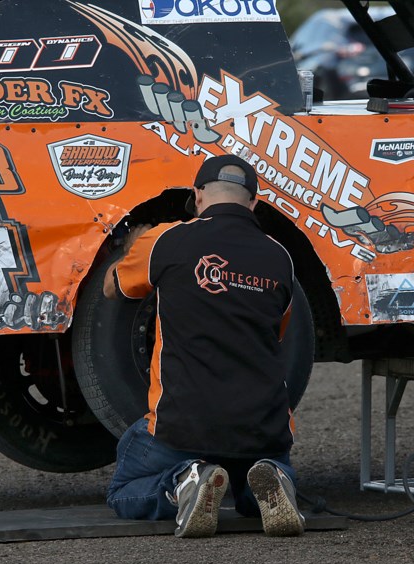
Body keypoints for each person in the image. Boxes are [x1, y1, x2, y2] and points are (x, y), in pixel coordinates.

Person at [102, 154, 305, 538]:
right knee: (256, 475)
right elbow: (275, 334)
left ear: (197, 197)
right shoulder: (281, 257)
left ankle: (183, 483)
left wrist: (131, 248)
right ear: (253, 203)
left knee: (123, 489)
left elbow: (113, 288)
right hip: (263, 428)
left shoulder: (164, 240)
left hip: (183, 428)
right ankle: (273, 477)